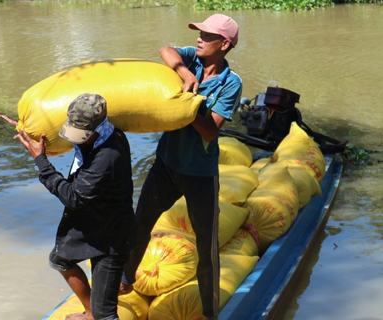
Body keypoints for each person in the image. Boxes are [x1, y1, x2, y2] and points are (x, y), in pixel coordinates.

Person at [119, 14, 242, 320]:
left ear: (224, 44)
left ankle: (210, 312)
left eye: (207, 35)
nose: (199, 38)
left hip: (200, 175)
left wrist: (188, 103)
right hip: (166, 165)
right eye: (199, 32)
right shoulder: (193, 58)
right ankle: (124, 282)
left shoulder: (231, 83)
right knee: (138, 226)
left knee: (207, 247)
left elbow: (211, 130)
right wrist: (183, 72)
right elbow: (165, 50)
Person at [16, 93, 135, 320]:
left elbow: (72, 197)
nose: (75, 139)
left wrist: (41, 161)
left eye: (81, 134)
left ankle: (95, 313)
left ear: (98, 129)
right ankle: (89, 312)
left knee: (106, 314)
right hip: (94, 223)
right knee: (60, 259)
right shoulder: (104, 135)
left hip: (112, 237)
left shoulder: (107, 157)